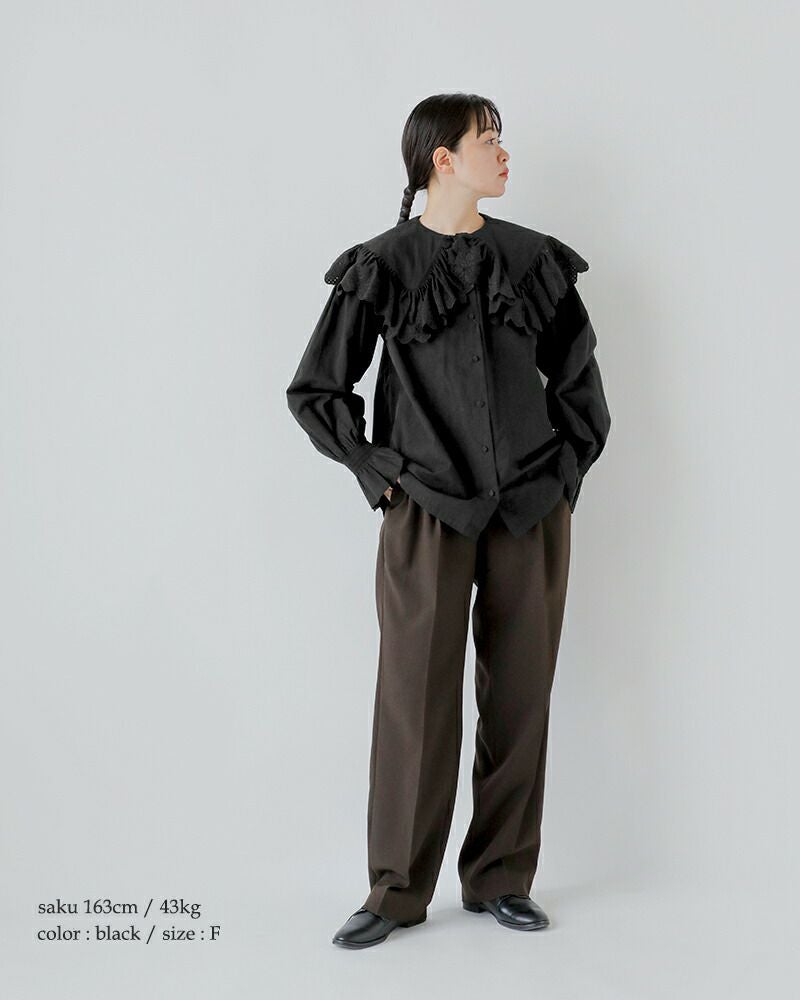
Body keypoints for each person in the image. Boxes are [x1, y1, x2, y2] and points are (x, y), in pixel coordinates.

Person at [285, 93, 612, 949]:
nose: (503, 154)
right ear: (442, 159)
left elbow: (580, 387)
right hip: (424, 508)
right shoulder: (381, 265)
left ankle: (501, 878)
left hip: (531, 509)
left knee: (520, 697)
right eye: (488, 140)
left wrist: (564, 477)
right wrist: (380, 474)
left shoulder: (533, 260)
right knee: (414, 701)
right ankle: (395, 891)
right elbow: (317, 389)